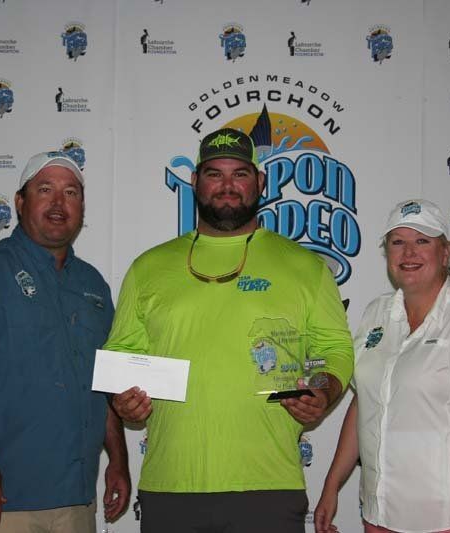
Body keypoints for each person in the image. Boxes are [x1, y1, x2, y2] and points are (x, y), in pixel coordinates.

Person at [106, 128, 354, 533]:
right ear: (195, 181)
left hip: (269, 484)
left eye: (239, 174)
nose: (227, 186)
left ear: (260, 182)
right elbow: (122, 354)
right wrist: (124, 398)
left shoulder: (306, 267)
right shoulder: (148, 267)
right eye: (214, 174)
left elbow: (335, 346)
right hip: (171, 484)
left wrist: (323, 389)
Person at [0, 151, 130, 532]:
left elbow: (104, 381)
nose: (59, 203)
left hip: (75, 501)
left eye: (71, 192)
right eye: (45, 189)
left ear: (82, 207)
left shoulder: (93, 285)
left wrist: (117, 461)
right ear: (20, 202)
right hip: (1, 501)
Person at [315, 199, 450, 533]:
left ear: (445, 252)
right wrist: (331, 485)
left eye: (422, 241)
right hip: (377, 514)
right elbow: (366, 402)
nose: (409, 253)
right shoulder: (376, 314)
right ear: (387, 253)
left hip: (441, 521)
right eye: (398, 242)